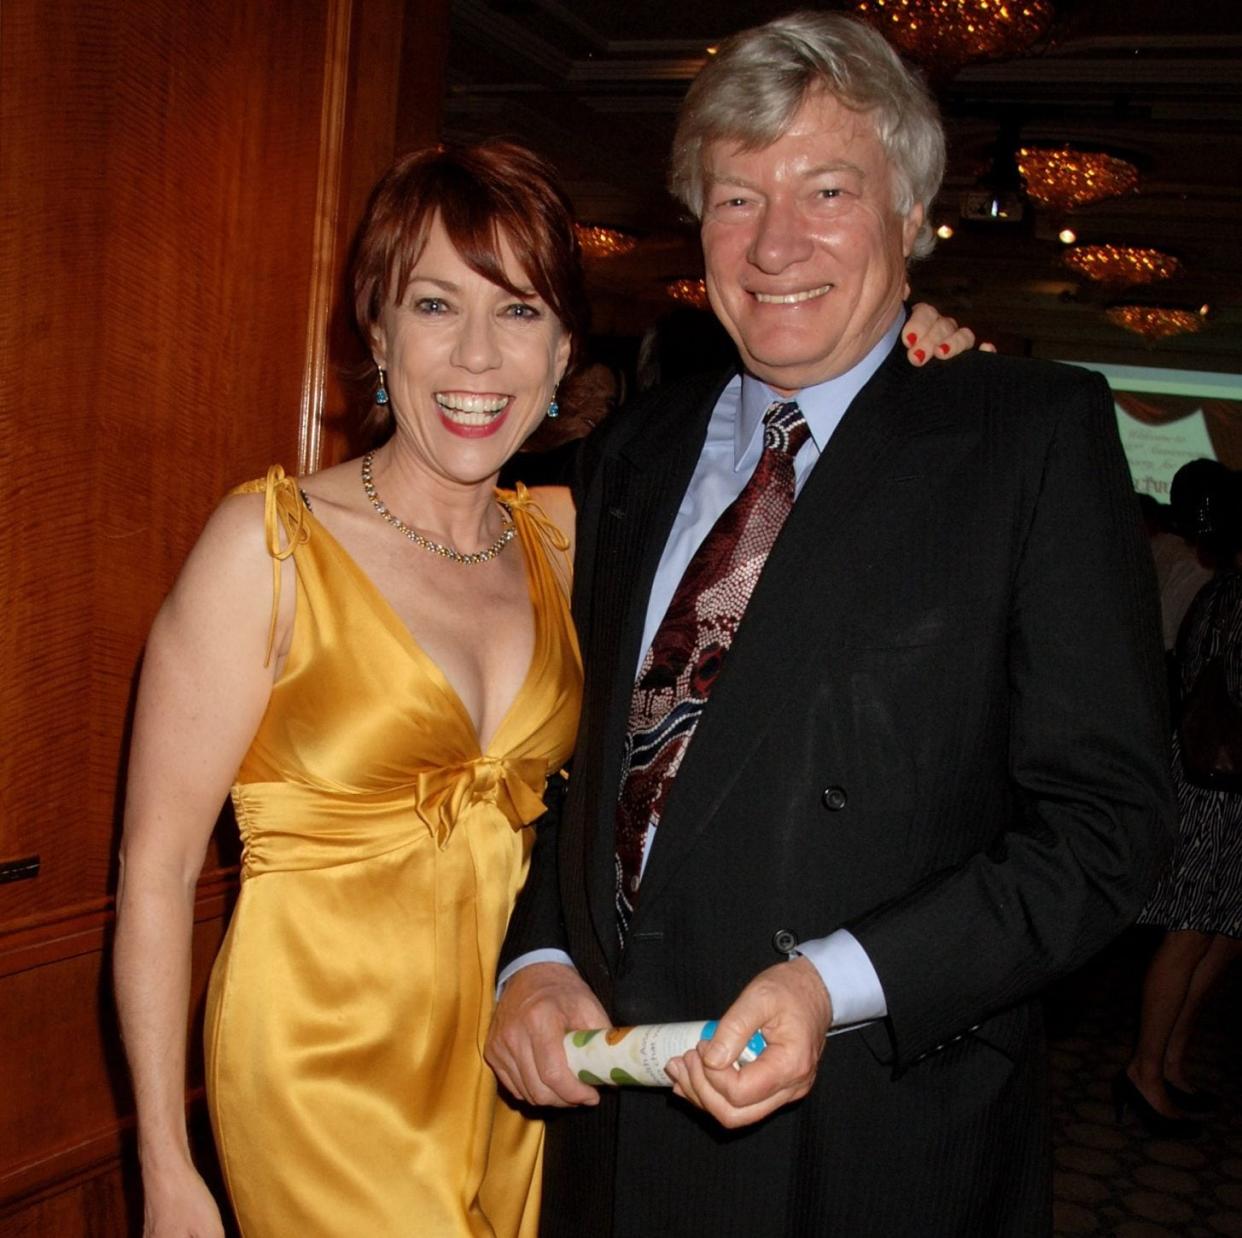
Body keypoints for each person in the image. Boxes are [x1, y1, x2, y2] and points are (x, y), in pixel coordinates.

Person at [111, 135, 974, 1237]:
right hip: (319, 1059)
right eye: (434, 305)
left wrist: (906, 358)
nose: (478, 357)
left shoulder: (569, 539)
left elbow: (790, 538)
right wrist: (163, 1158)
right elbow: (154, 870)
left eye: (518, 312)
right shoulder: (269, 543)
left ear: (565, 346)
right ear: (376, 329)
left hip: (532, 1046)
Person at [486, 13, 1174, 1237]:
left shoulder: (1026, 437)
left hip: (870, 1134)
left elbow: (1107, 826)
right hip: (619, 1117)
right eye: (738, 198)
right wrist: (535, 962)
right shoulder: (632, 453)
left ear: (909, 217)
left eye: (828, 189)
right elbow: (575, 763)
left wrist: (835, 979)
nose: (777, 243)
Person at [1123, 469, 1242, 1134]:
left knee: (1218, 932)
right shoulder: (1232, 596)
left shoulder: (1221, 589)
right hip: (1212, 785)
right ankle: (1145, 1071)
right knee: (1191, 929)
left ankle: (1165, 1060)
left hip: (1220, 783)